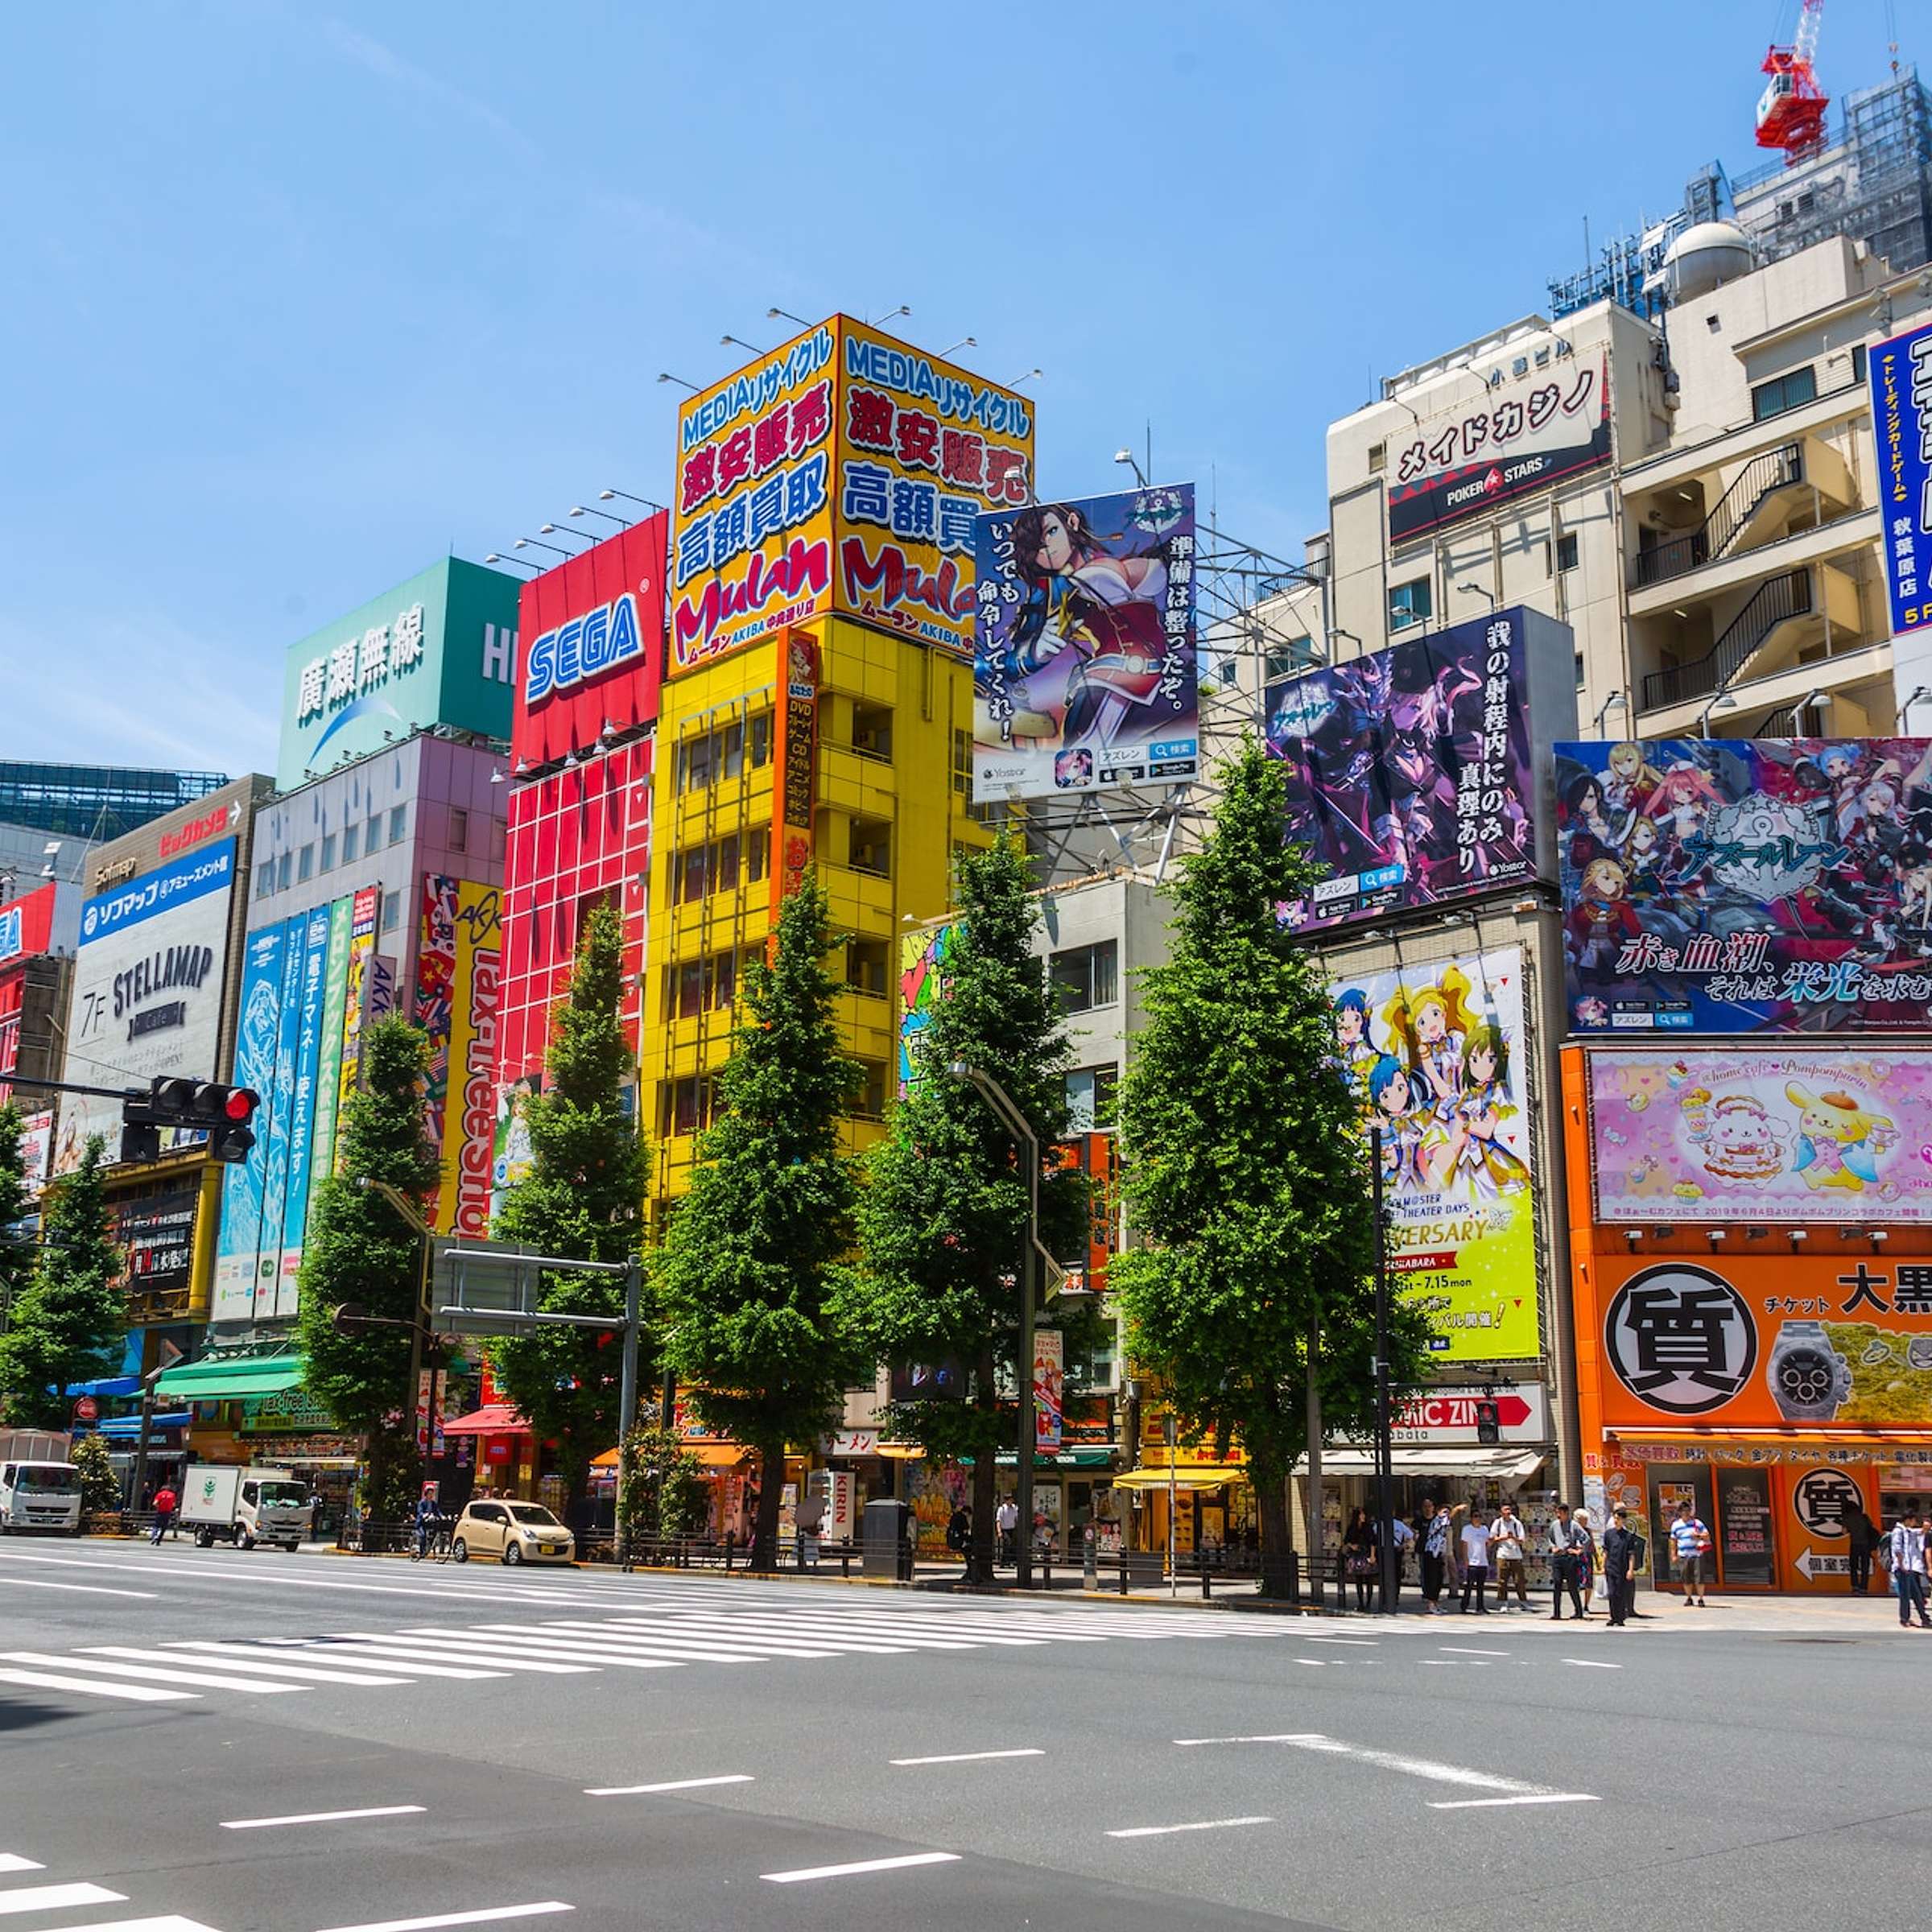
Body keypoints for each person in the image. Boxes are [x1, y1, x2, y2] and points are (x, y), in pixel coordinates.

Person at [1889, 1507, 1931, 1629]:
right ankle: (1904, 1619)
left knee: (1917, 1594)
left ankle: (1924, 1618)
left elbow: (1918, 1533)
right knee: (1905, 1595)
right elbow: (1897, 1550)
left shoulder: (1907, 1531)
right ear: (1908, 1520)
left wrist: (1925, 1529)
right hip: (1902, 1568)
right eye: (1913, 1521)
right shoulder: (1898, 1532)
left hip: (1909, 1568)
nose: (1914, 1523)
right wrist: (1902, 1565)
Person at [1548, 1502, 1590, 1620]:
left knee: (1572, 1585)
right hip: (1558, 1557)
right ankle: (1556, 1613)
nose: (1558, 1515)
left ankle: (1578, 1611)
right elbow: (1550, 1538)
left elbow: (1586, 1538)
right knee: (1557, 1584)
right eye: (1557, 1513)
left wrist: (1579, 1551)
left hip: (1569, 1557)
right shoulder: (1554, 1525)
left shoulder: (1574, 1525)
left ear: (1566, 1513)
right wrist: (1553, 1547)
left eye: (1561, 1513)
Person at [1670, 1498, 1712, 1606]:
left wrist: (1698, 1535)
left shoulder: (1697, 1523)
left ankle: (1701, 1599)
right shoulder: (1676, 1525)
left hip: (1697, 1554)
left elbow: (1707, 1536)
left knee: (1699, 1577)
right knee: (1686, 1578)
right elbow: (1673, 1541)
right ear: (1680, 1512)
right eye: (1684, 1511)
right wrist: (1673, 1555)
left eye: (1688, 1510)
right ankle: (1689, 1598)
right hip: (1683, 1555)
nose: (1686, 1513)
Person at [1490, 1502, 1530, 1612]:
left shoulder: (1517, 1523)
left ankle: (1523, 1601)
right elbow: (1492, 1538)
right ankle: (1503, 1602)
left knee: (1519, 1581)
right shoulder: (1498, 1523)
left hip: (1516, 1555)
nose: (1508, 1512)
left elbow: (1522, 1540)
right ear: (1501, 1512)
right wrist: (1505, 1537)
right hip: (1502, 1554)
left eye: (1509, 1509)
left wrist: (1514, 1538)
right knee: (1502, 1581)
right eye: (1505, 1510)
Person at [1604, 1508, 1638, 1628]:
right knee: (1611, 1593)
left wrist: (1630, 1570)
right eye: (1615, 1518)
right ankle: (1613, 1616)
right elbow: (1606, 1551)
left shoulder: (1628, 1536)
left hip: (1622, 1568)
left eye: (1618, 1518)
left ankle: (1620, 1617)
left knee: (1621, 1593)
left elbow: (1631, 1554)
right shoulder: (1608, 1534)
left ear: (1623, 1520)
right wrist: (1603, 1566)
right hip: (1611, 1566)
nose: (1616, 1520)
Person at [1419, 1498, 1451, 1616]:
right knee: (1432, 1578)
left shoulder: (1443, 1523)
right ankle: (1431, 1603)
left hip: (1439, 1553)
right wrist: (1456, 1510)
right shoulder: (1437, 1521)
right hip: (1431, 1552)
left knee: (1439, 1578)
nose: (1446, 1515)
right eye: (1444, 1512)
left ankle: (1436, 1602)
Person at [1459, 1509, 1492, 1615]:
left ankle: (1480, 1607)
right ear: (1471, 1518)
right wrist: (1465, 1559)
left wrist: (1492, 1542)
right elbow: (1464, 1545)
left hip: (1482, 1561)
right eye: (1475, 1516)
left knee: (1481, 1587)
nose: (1477, 1519)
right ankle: (1464, 1605)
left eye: (1479, 1516)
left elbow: (1487, 1544)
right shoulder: (1467, 1529)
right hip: (1472, 1561)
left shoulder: (1484, 1529)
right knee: (1469, 1585)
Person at [1343, 1506, 1377, 1611]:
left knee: (1369, 1579)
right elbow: (1346, 1540)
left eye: (1364, 1514)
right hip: (1356, 1554)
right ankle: (1361, 1602)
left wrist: (1372, 1555)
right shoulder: (1352, 1528)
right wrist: (1352, 1546)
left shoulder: (1368, 1527)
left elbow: (1373, 1542)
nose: (1363, 1516)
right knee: (1359, 1579)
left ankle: (1368, 1603)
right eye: (1361, 1514)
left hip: (1366, 1553)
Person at [1847, 1502, 1879, 1596]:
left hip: (1854, 1544)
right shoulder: (1864, 1517)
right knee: (1865, 1567)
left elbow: (1843, 1531)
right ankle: (1864, 1588)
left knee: (1854, 1566)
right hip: (1866, 1545)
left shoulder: (1847, 1518)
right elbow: (1871, 1527)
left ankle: (1855, 1587)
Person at [150, 1481, 179, 1546]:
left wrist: (159, 1506)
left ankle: (154, 1537)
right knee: (164, 1527)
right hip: (167, 1512)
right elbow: (174, 1504)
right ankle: (159, 1540)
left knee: (156, 1526)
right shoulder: (172, 1495)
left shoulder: (160, 1494)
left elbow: (155, 1503)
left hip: (160, 1512)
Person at [945, 1503, 972, 1567]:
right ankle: (970, 1564)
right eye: (968, 1515)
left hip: (951, 1540)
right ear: (966, 1512)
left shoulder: (954, 1516)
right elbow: (965, 1530)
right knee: (969, 1547)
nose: (968, 1516)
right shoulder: (963, 1518)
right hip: (959, 1541)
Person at [995, 1496, 1019, 1568]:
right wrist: (999, 1531)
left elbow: (1016, 1518)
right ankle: (1006, 1561)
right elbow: (998, 1520)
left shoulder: (1014, 1508)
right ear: (1006, 1500)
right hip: (1005, 1529)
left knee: (1011, 1545)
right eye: (1009, 1500)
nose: (1011, 1501)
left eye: (1011, 1500)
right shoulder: (1002, 1509)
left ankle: (1007, 1561)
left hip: (1012, 1529)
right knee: (1008, 1543)